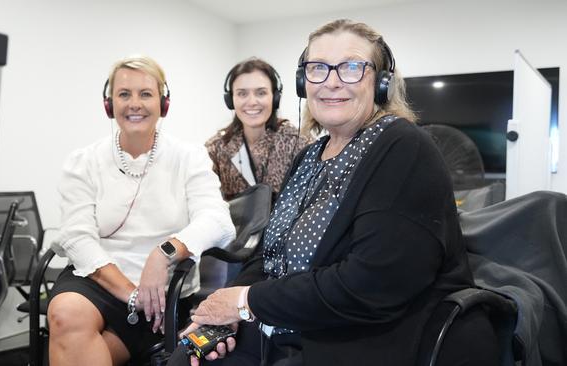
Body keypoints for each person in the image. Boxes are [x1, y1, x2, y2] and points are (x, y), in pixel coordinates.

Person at [169, 19, 498, 366]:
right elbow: (269, 256)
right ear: (303, 82)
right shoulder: (310, 156)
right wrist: (223, 311)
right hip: (289, 325)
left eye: (352, 67)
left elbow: (371, 285)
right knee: (186, 357)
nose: (331, 81)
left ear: (382, 82)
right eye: (318, 68)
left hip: (363, 339)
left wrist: (245, 302)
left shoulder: (402, 147)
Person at [47, 55, 236, 366]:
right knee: (66, 313)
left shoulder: (189, 157)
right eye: (124, 94)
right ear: (109, 105)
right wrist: (133, 295)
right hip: (97, 278)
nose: (134, 103)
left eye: (145, 94)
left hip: (163, 294)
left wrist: (163, 254)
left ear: (163, 103)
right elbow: (76, 237)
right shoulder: (84, 161)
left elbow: (218, 221)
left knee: (76, 349)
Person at [205, 58, 311, 203]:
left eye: (261, 93)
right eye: (242, 94)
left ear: (275, 97)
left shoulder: (298, 142)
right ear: (231, 100)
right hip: (233, 226)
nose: (252, 102)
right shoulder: (217, 147)